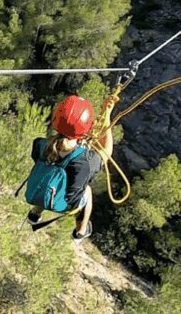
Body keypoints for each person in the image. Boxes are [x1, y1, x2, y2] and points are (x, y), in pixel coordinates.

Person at [26, 94, 117, 242]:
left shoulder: (40, 144)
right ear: (85, 129)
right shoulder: (85, 161)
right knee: (87, 191)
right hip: (64, 204)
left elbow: (55, 153)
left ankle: (35, 212)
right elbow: (107, 151)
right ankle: (81, 231)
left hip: (36, 191)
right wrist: (107, 114)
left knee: (48, 172)